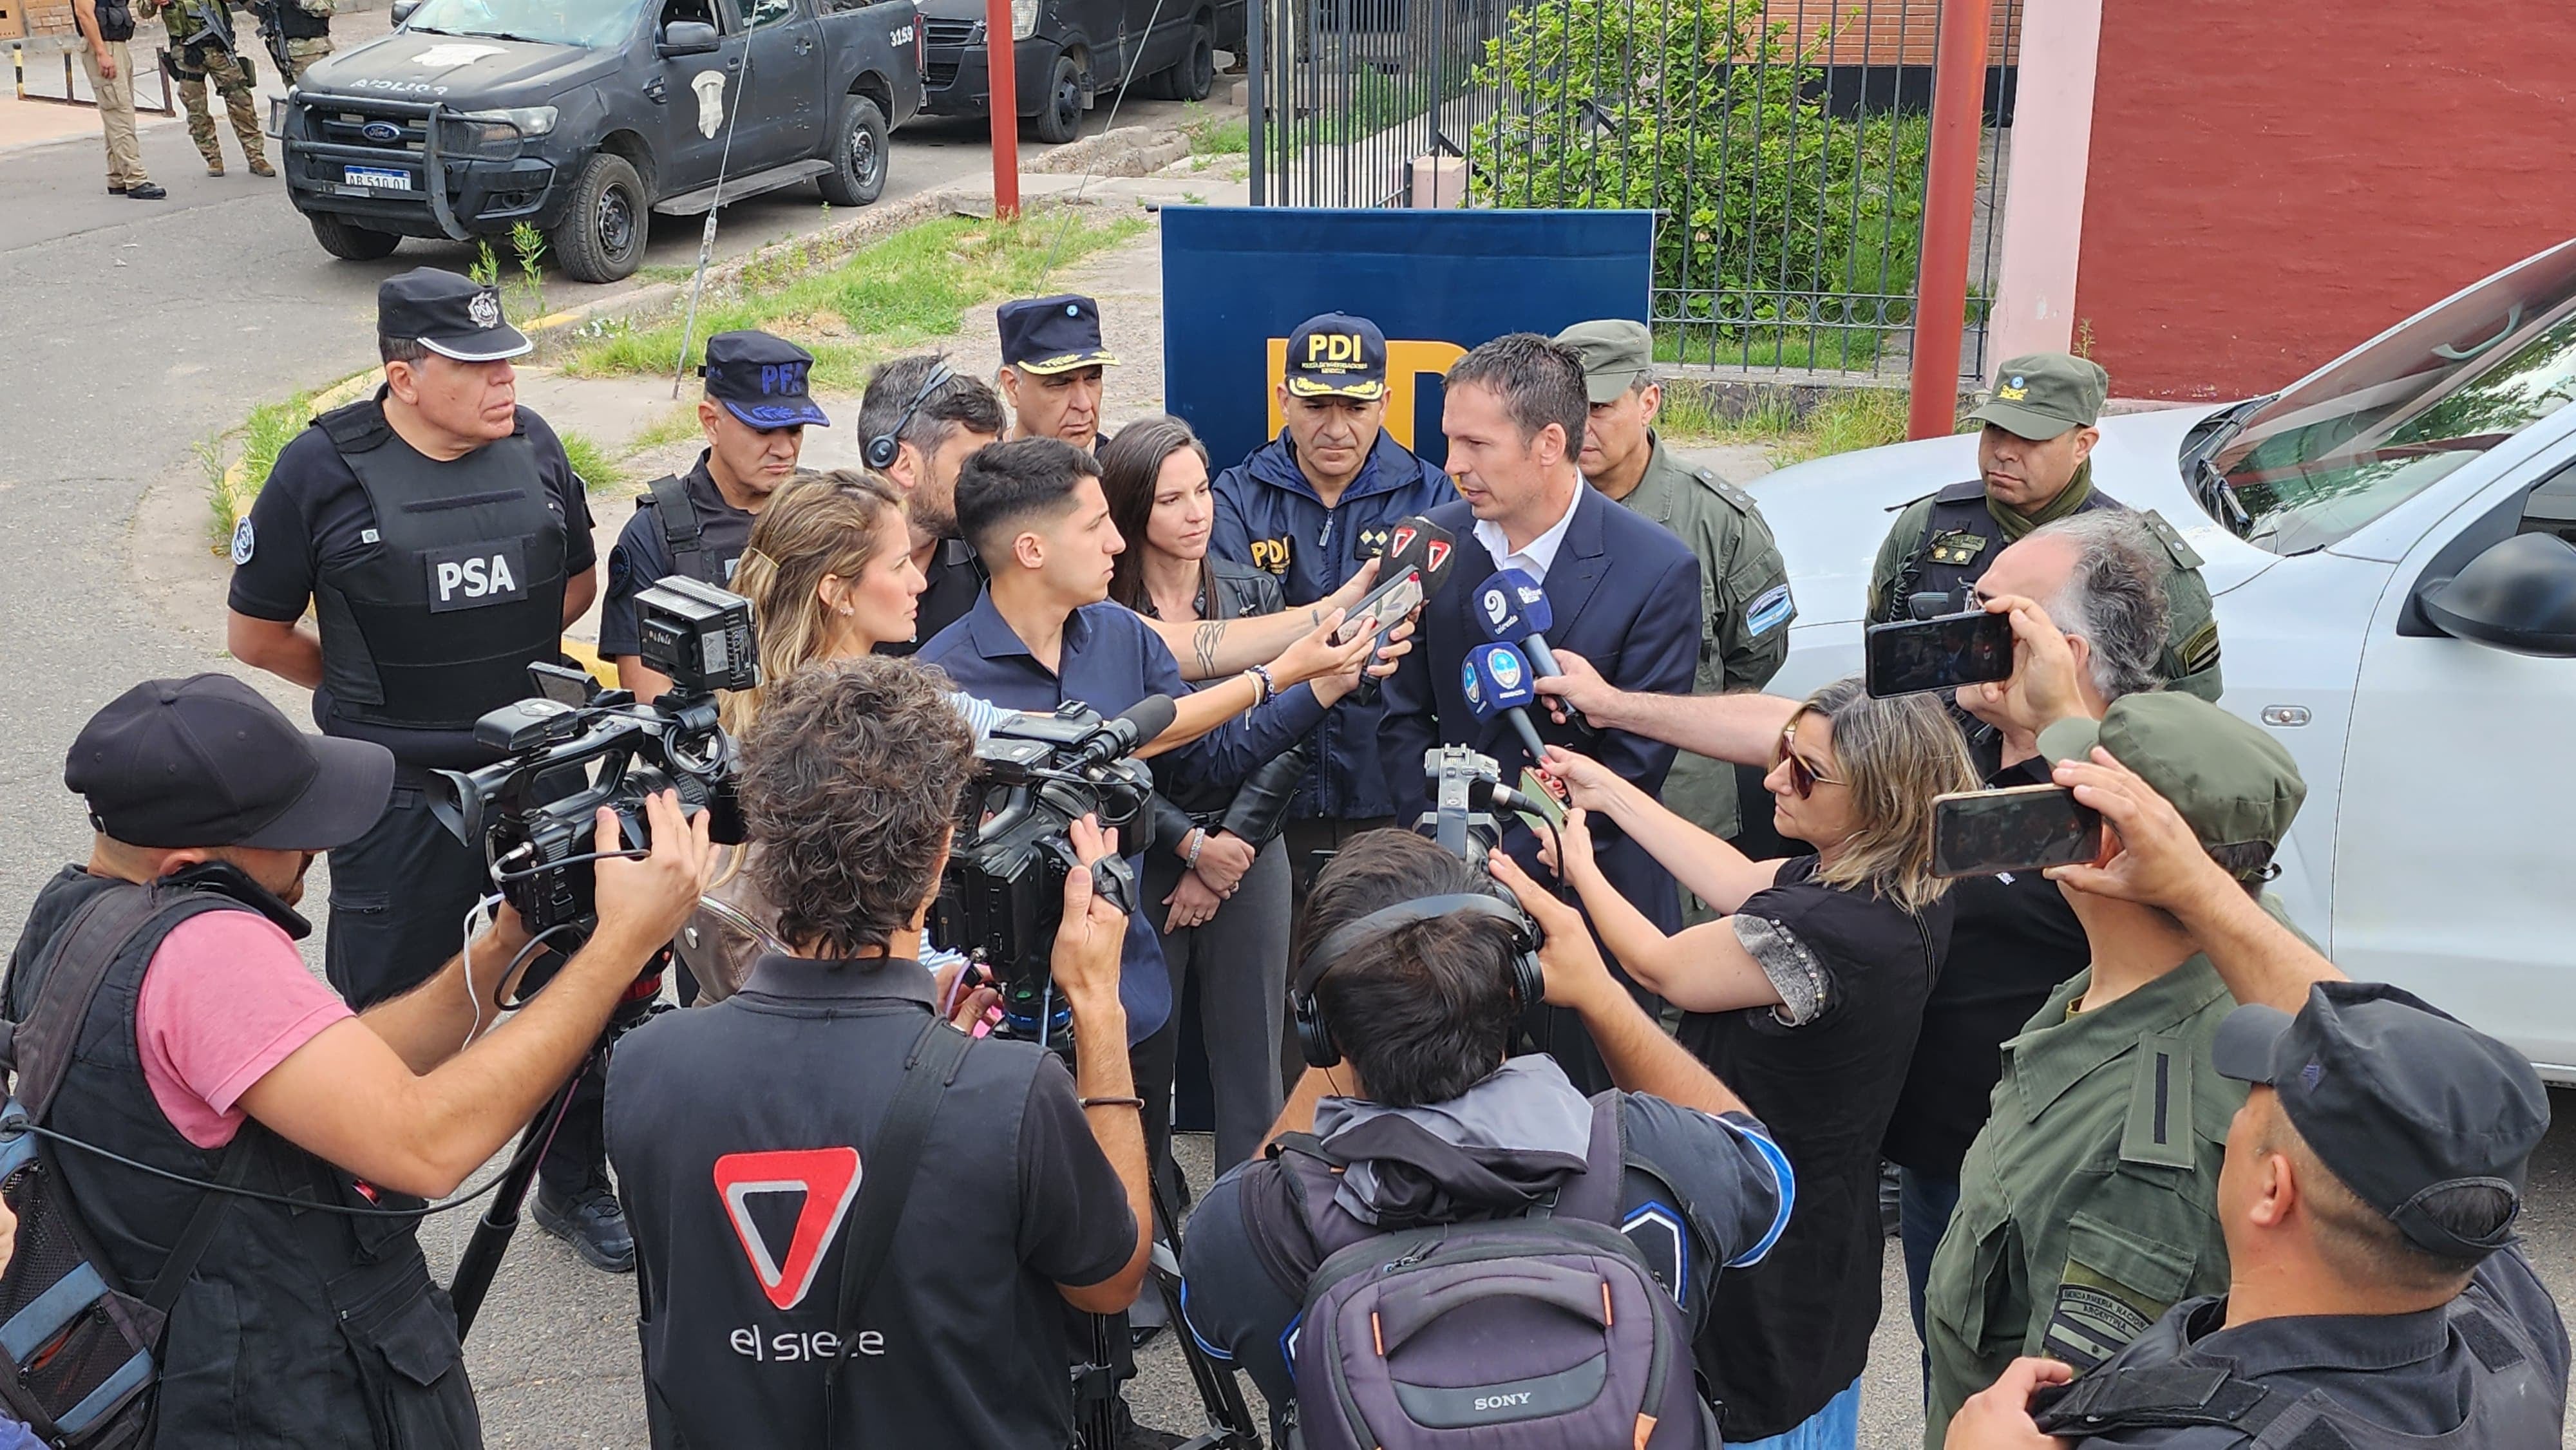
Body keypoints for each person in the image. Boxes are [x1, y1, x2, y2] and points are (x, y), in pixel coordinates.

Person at [1539, 510, 2190, 1344]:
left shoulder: (2128, 784)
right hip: (1924, 1155)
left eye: (1996, 622)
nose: (1960, 631)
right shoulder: (1960, 731)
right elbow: (1799, 744)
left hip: (2037, 1168)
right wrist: (1612, 720)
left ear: (2070, 656)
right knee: (1944, 1362)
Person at [14, 674, 707, 1447]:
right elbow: (427, 1145)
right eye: (291, 827)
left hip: (188, 1371)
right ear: (187, 858)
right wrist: (618, 947)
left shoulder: (77, 912)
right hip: (275, 1399)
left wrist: (505, 944)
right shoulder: (205, 951)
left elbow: (335, 1072)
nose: (316, 844)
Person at [1945, 743, 2564, 1449]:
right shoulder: (2507, 1320)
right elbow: (2422, 1077)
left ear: (2274, 1188)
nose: (2234, 1107)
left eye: (2253, 1099)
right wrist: (2200, 890)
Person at [607, 659, 1154, 1448]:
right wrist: (1098, 1008)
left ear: (761, 834)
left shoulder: (650, 1062)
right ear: (939, 853)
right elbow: (1110, 1281)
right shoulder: (1009, 1090)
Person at [222, 268, 627, 1272]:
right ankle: (368, 1212)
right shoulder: (320, 470)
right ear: (402, 376)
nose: (505, 383)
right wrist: (374, 694)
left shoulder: (534, 445)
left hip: (537, 769)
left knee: (575, 976)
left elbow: (572, 584)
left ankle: (570, 1182)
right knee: (394, 1007)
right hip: (396, 791)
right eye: (476, 366)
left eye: (509, 361)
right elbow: (257, 633)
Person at [1178, 829, 1795, 1442]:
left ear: (1320, 1032)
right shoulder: (1656, 1158)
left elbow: (1216, 1317)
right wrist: (1601, 994)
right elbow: (1763, 1167)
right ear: (1518, 989)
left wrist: (1341, 1043)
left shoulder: (1250, 1225)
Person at [1539, 679, 1974, 1448]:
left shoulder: (1821, 928)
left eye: (1804, 772)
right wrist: (1606, 790)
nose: (1775, 778)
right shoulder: (1901, 886)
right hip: (1827, 1245)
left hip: (1759, 1247)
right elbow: (1738, 879)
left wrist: (1581, 868)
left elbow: (1662, 966)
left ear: (1881, 796)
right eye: (1783, 755)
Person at [1920, 689, 2311, 1446]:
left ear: (2100, 851)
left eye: (2063, 797)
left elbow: (2075, 1415)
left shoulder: (2143, 1159)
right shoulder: (2170, 972)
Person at [920, 438, 1386, 1044]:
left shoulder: (1118, 632)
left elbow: (1207, 754)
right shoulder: (943, 688)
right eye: (1095, 527)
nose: (1118, 541)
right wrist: (1279, 674)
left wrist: (1322, 686)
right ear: (1031, 550)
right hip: (996, 1020)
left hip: (1129, 990)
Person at [1378, 332, 1702, 1092]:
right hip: (1449, 897)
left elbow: (1634, 764)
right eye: (1448, 439)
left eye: (1476, 443)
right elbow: (1398, 718)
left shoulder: (1656, 569)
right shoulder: (1435, 545)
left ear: (1549, 442)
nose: (1453, 464)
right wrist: (1444, 851)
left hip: (1593, 902)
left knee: (1592, 1127)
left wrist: (1512, 864)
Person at [1103, 416, 1307, 1178]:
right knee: (1143, 1056)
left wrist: (1233, 846)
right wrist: (1187, 844)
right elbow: (1112, 751)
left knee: (1253, 1058)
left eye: (1201, 492)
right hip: (1147, 852)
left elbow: (1292, 725)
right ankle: (1151, 1221)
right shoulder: (1105, 615)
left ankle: (1251, 1222)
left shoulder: (1254, 591)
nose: (1196, 513)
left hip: (1252, 852)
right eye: (1170, 499)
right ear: (1130, 510)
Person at [1209, 311, 1457, 889]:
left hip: (1387, 792)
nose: (1336, 427)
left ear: (1386, 403)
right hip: (1264, 798)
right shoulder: (1236, 497)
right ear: (1283, 400)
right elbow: (1226, 643)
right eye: (1317, 405)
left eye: (1356, 407)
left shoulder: (1434, 497)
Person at [1554, 319, 1794, 863]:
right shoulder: (1530, 512)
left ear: (1648, 402)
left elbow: (1755, 657)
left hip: (1680, 800)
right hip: (1561, 795)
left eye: (1599, 409)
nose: (1580, 428)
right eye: (1567, 411)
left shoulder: (1717, 521)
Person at [1868, 352, 2222, 703]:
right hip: (1939, 749)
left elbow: (2190, 706)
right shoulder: (1927, 526)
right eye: (1995, 429)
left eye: (2030, 438)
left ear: (2082, 445)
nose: (2004, 451)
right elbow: (1883, 652)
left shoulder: (2136, 554)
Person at [605, 330, 826, 701]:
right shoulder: (656, 533)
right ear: (711, 422)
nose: (785, 449)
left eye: (795, 429)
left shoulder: (822, 510)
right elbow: (650, 699)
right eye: (764, 429)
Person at [853, 353, 1009, 654]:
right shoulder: (822, 571)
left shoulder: (991, 557)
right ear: (904, 465)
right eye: (973, 465)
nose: (991, 482)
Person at [140, 0, 270, 178]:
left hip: (219, 47)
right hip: (187, 50)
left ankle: (256, 157)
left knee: (241, 101)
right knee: (196, 109)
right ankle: (213, 158)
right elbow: (144, 12)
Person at [998, 294, 1114, 448]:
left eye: (1093, 378)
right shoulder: (977, 469)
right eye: (1060, 384)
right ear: (1012, 387)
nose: (1084, 404)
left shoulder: (1125, 469)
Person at [72, 0, 161, 199]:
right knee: (120, 113)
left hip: (117, 46)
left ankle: (118, 177)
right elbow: (84, 14)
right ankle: (136, 180)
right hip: (103, 46)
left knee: (116, 114)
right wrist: (102, 52)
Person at [258, 0, 334, 82]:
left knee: (313, 92)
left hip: (308, 52)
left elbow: (328, 7)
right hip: (281, 50)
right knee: (294, 93)